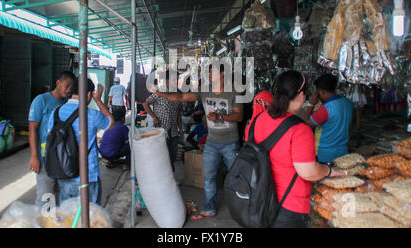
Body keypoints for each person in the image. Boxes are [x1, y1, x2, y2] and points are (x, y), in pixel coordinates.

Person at [245, 70, 345, 228]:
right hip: (289, 204)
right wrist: (329, 171)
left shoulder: (258, 119)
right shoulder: (300, 129)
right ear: (300, 96)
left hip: (260, 197)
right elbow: (308, 172)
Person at [155, 64, 243, 220]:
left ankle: (243, 208)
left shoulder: (233, 92)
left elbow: (239, 116)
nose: (209, 74)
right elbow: (182, 97)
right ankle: (209, 209)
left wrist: (220, 117)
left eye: (212, 71)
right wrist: (161, 94)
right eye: (208, 72)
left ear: (223, 74)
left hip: (230, 142)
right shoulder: (205, 90)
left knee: (237, 177)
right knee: (208, 177)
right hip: (212, 141)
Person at [48, 78, 114, 205]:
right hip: (87, 176)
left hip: (64, 173)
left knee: (68, 217)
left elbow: (50, 136)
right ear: (89, 94)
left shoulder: (55, 113)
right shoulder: (92, 115)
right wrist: (98, 100)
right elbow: (111, 123)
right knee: (91, 217)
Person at [28, 70, 76, 206]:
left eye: (71, 87)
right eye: (66, 86)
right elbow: (32, 129)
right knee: (46, 196)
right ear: (58, 83)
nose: (68, 90)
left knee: (62, 196)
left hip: (63, 157)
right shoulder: (41, 100)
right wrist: (34, 156)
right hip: (45, 158)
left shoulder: (68, 103)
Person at [305, 74, 354, 164]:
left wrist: (311, 104)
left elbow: (306, 124)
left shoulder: (326, 109)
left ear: (322, 92)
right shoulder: (347, 103)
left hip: (325, 154)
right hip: (343, 151)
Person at [143, 69, 183, 172]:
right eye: (173, 79)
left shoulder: (178, 94)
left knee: (172, 156)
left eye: (176, 79)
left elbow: (178, 113)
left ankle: (170, 178)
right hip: (161, 129)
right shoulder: (159, 92)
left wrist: (181, 129)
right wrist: (154, 117)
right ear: (167, 80)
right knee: (161, 156)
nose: (175, 81)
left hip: (174, 131)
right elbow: (145, 104)